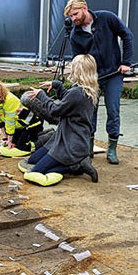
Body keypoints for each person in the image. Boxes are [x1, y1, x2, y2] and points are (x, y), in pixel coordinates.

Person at [64, 0, 134, 165]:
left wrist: (126, 62)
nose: (73, 19)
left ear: (85, 8)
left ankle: (112, 148)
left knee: (113, 109)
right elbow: (77, 59)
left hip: (114, 73)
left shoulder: (107, 18)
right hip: (92, 78)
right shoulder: (75, 35)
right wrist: (80, 79)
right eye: (71, 16)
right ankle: (88, 147)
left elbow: (127, 35)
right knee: (89, 111)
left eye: (75, 14)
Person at [19, 54, 101, 186]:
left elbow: (55, 110)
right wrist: (58, 86)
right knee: (32, 160)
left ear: (77, 71)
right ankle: (76, 162)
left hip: (69, 144)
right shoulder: (89, 90)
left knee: (35, 171)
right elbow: (69, 102)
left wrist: (41, 95)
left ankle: (76, 166)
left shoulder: (77, 93)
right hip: (68, 138)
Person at [0, 75, 43, 157]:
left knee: (23, 146)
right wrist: (5, 137)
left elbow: (9, 122)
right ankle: (42, 134)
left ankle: (49, 137)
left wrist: (10, 141)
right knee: (14, 142)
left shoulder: (9, 99)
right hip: (18, 126)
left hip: (32, 123)